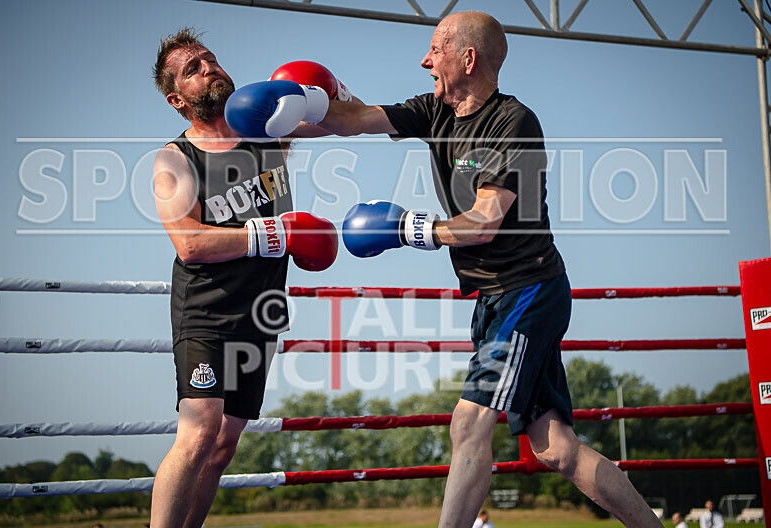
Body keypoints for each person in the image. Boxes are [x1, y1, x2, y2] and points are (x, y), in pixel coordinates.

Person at [223, 9, 664, 528]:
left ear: (467, 58)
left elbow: (484, 221)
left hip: (527, 291)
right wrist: (305, 103)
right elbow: (357, 119)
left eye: (436, 49)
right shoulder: (433, 111)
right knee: (556, 450)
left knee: (469, 422)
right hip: (494, 298)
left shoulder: (513, 123)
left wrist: (412, 227)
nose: (425, 60)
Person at [149, 29, 337, 528]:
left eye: (210, 59)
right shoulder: (173, 159)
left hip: (261, 311)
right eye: (193, 68)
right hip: (206, 312)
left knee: (223, 445)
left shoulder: (265, 131)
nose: (209, 68)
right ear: (177, 99)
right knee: (199, 433)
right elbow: (189, 243)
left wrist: (323, 93)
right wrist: (277, 232)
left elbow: (338, 122)